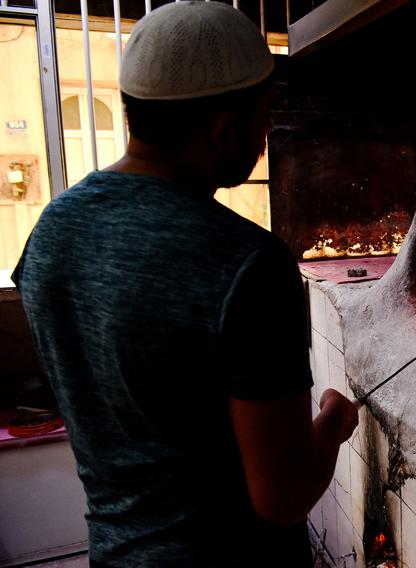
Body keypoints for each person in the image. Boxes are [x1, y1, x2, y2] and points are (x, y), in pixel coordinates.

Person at [12, 2, 358, 566]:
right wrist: (331, 427)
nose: (267, 135)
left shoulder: (52, 231)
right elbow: (283, 497)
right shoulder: (247, 262)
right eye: (264, 116)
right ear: (223, 127)